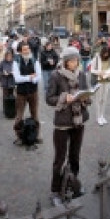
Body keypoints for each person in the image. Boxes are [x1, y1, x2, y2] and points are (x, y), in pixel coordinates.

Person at [45, 46, 91, 206]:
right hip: (63, 122)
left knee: (75, 155)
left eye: (76, 60)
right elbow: (49, 98)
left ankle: (72, 182)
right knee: (60, 158)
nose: (75, 63)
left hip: (79, 120)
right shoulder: (56, 76)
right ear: (65, 62)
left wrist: (86, 97)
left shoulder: (82, 74)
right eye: (72, 61)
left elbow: (86, 92)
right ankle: (55, 191)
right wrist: (65, 98)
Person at [12, 41, 43, 145]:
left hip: (33, 91)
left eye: (28, 49)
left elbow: (39, 76)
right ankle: (19, 136)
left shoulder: (35, 61)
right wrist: (30, 77)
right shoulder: (16, 62)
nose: (26, 51)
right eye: (24, 49)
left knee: (35, 115)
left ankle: (36, 135)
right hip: (21, 92)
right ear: (20, 51)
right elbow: (17, 78)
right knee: (19, 116)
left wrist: (30, 78)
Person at [90, 44, 110, 125]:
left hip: (107, 81)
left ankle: (102, 116)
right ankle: (98, 117)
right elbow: (92, 69)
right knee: (98, 100)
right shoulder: (96, 58)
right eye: (105, 53)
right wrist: (99, 72)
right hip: (99, 81)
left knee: (104, 99)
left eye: (108, 53)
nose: (106, 55)